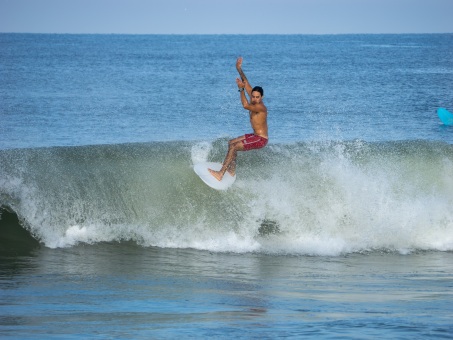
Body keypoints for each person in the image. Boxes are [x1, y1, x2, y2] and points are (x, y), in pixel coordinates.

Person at [209, 57, 268, 181]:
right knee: (231, 143)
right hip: (255, 134)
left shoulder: (260, 107)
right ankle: (231, 169)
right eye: (253, 96)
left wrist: (241, 89)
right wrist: (238, 68)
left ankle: (220, 173)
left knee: (234, 147)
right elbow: (245, 81)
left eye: (257, 97)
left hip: (260, 139)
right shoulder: (253, 97)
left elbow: (245, 105)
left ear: (261, 97)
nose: (254, 98)